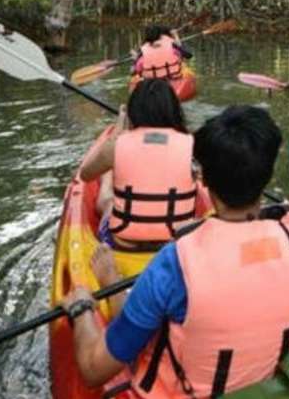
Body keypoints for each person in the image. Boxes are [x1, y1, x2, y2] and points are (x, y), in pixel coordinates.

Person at [62, 106, 289, 395]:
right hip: (270, 387)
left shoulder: (176, 262)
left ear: (203, 179)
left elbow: (93, 369)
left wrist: (82, 308)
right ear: (267, 176)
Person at [79, 79, 211, 279]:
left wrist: (118, 127)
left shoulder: (117, 145)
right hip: (175, 245)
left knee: (107, 202)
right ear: (174, 111)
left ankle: (108, 184)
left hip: (124, 245)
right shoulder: (192, 146)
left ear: (133, 113)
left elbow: (85, 174)